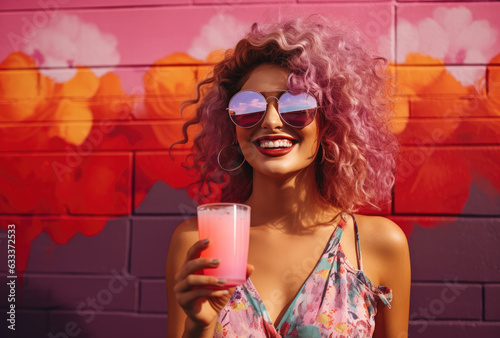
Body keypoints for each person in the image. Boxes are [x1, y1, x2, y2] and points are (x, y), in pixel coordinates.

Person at [166, 15, 411, 337]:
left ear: (330, 122)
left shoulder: (380, 244)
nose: (270, 121)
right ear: (231, 125)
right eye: (248, 106)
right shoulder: (197, 242)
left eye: (296, 105)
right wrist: (200, 327)